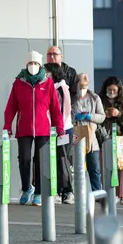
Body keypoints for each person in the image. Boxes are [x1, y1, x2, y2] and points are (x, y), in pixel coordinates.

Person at [3, 51, 63, 207]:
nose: (33, 66)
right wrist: (7, 125)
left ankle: (38, 192)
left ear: (40, 65)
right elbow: (11, 107)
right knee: (24, 159)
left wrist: (60, 127)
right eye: (30, 63)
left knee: (40, 160)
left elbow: (55, 108)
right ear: (26, 65)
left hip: (44, 129)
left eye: (36, 63)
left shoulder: (48, 83)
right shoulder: (18, 83)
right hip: (24, 128)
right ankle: (26, 188)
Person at [98, 76, 123, 205]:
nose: (112, 92)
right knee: (105, 166)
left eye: (114, 90)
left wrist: (119, 114)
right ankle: (107, 193)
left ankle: (122, 195)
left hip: (122, 137)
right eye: (109, 90)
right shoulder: (100, 100)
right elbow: (96, 118)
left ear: (119, 90)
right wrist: (105, 116)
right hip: (105, 137)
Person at [44, 62, 74, 204]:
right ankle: (58, 190)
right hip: (53, 130)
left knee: (62, 160)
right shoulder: (51, 87)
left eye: (47, 72)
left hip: (62, 130)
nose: (44, 74)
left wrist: (58, 129)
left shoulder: (60, 88)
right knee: (55, 160)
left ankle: (67, 191)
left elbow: (63, 111)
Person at [71, 73, 104, 191]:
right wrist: (74, 118)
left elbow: (102, 117)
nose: (82, 89)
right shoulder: (71, 98)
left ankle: (97, 192)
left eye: (84, 86)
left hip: (91, 138)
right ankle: (75, 193)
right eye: (80, 86)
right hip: (75, 136)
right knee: (75, 168)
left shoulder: (94, 98)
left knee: (94, 168)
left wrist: (90, 116)